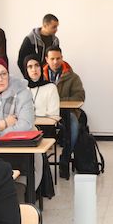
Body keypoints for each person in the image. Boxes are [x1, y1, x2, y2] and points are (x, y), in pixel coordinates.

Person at [42, 47, 86, 178]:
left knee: (73, 125)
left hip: (67, 112)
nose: (55, 62)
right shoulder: (40, 76)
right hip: (45, 113)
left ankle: (65, 158)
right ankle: (41, 160)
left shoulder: (72, 77)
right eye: (52, 59)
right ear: (46, 59)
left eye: (58, 58)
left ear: (62, 58)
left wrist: (57, 101)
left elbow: (79, 97)